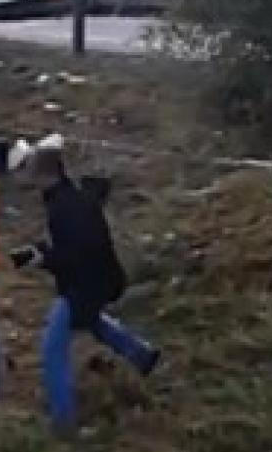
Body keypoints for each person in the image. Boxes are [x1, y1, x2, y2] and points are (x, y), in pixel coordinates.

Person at [12, 139, 161, 433]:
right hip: (99, 280)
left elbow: (76, 254)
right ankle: (142, 355)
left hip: (85, 286)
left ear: (43, 174)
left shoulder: (64, 207)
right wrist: (45, 251)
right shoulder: (69, 197)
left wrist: (45, 259)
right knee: (91, 321)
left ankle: (63, 420)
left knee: (52, 348)